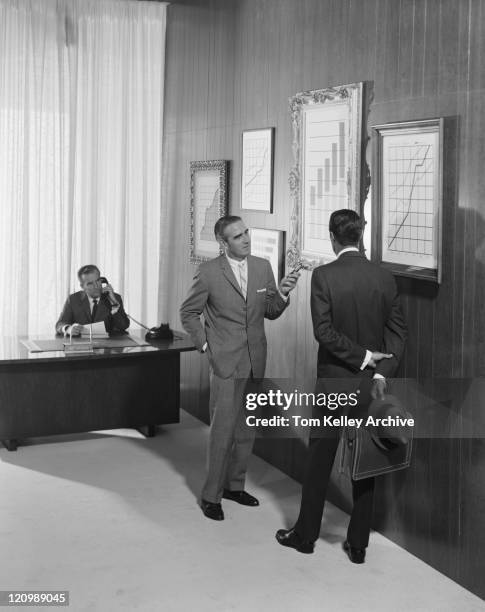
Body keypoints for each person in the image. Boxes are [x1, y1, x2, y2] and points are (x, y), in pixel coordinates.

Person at [276, 209, 407, 563]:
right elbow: (398, 333)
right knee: (367, 458)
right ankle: (358, 544)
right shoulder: (384, 277)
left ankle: (305, 536)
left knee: (319, 457)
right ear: (360, 236)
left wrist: (362, 356)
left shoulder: (324, 275)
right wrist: (380, 372)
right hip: (371, 386)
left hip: (335, 380)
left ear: (333, 237)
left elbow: (324, 332)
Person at [180, 215, 300, 521]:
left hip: (255, 360)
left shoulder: (263, 267)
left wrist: (283, 292)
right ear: (224, 243)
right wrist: (206, 346)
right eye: (237, 236)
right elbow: (189, 312)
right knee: (222, 432)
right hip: (225, 363)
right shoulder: (208, 273)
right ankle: (211, 496)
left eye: (246, 232)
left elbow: (270, 312)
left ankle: (235, 486)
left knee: (247, 431)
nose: (246, 239)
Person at [56, 264, 130, 336]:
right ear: (82, 286)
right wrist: (68, 328)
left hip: (106, 345)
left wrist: (114, 304)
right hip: (82, 345)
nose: (96, 286)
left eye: (98, 281)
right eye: (90, 284)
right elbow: (60, 324)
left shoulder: (115, 298)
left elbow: (123, 326)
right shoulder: (73, 299)